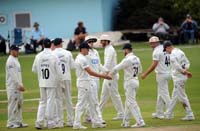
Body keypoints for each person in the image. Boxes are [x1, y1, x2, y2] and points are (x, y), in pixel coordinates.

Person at [73, 42, 111, 129]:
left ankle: (96, 122)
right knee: (81, 104)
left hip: (87, 82)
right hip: (84, 83)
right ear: (83, 49)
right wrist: (104, 76)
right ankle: (77, 123)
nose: (88, 51)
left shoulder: (83, 58)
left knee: (93, 102)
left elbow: (95, 67)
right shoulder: (81, 59)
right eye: (87, 49)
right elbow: (90, 72)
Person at [110, 43, 145, 128]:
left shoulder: (127, 59)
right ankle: (126, 122)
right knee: (128, 103)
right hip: (136, 81)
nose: (123, 52)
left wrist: (109, 75)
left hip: (129, 82)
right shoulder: (137, 58)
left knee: (131, 103)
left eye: (124, 50)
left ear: (126, 50)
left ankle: (140, 121)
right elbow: (140, 70)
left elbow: (116, 68)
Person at [32, 38, 63, 129]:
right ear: (51, 45)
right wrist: (60, 81)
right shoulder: (54, 56)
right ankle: (50, 122)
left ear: (42, 45)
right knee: (50, 101)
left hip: (42, 82)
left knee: (42, 102)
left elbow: (34, 69)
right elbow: (59, 71)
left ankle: (39, 122)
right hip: (52, 82)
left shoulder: (38, 56)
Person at [163, 41, 195, 120]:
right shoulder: (180, 51)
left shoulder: (172, 55)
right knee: (175, 96)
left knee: (182, 97)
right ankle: (169, 113)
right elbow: (187, 63)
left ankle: (190, 114)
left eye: (166, 50)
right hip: (182, 77)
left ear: (168, 47)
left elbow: (177, 67)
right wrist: (185, 70)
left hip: (179, 78)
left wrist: (185, 72)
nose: (166, 52)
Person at [141, 36, 171, 119]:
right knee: (161, 94)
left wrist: (145, 74)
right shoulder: (164, 48)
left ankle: (170, 113)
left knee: (164, 94)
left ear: (157, 43)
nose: (151, 45)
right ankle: (159, 112)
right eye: (150, 43)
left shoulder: (156, 51)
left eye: (152, 43)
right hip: (168, 73)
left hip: (162, 74)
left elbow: (154, 65)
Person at [99, 34, 124, 120]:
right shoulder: (107, 49)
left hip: (111, 76)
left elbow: (108, 63)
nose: (101, 42)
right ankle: (98, 114)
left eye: (102, 41)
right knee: (103, 95)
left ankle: (121, 114)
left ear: (106, 41)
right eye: (101, 41)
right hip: (108, 75)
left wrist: (101, 74)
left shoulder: (110, 49)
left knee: (114, 95)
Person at [52, 38, 75, 127]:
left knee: (58, 100)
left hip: (57, 79)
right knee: (68, 99)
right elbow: (73, 66)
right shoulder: (68, 53)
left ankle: (60, 122)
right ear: (61, 44)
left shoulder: (52, 54)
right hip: (67, 78)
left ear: (54, 44)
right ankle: (71, 121)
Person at [84, 36, 106, 124]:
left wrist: (104, 71)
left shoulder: (95, 52)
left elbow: (99, 64)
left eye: (92, 42)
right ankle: (97, 118)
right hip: (90, 78)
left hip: (97, 77)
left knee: (93, 98)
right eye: (89, 42)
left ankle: (88, 116)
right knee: (94, 99)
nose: (91, 43)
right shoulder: (85, 53)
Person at [6, 45, 28, 128]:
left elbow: (18, 74)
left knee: (19, 104)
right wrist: (19, 84)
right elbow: (13, 75)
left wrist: (20, 84)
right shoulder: (10, 61)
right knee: (12, 104)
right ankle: (10, 123)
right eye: (16, 50)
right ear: (12, 51)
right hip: (13, 87)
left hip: (18, 86)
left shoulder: (15, 60)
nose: (18, 51)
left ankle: (19, 122)